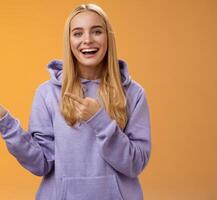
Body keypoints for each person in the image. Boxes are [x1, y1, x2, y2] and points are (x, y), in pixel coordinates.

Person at [0, 3, 151, 200]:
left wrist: (100, 121)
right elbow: (41, 163)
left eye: (96, 31)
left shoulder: (133, 93)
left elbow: (135, 163)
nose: (87, 40)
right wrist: (5, 122)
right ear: (69, 41)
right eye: (78, 33)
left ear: (108, 38)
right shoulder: (47, 93)